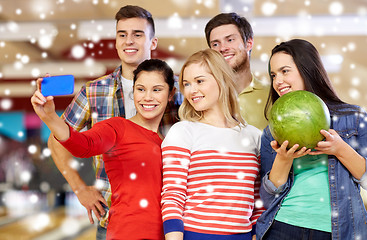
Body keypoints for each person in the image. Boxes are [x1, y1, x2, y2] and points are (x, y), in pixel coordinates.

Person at [46, 5, 179, 239]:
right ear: (116, 42)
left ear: (153, 42)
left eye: (138, 34)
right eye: (122, 35)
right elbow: (58, 141)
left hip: (170, 221)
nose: (129, 41)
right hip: (115, 220)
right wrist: (78, 188)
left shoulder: (176, 91)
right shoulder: (94, 91)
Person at [31, 59, 176, 240]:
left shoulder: (171, 139)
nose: (147, 97)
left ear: (171, 94)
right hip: (128, 233)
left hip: (168, 234)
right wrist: (50, 117)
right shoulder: (117, 128)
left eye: (157, 89)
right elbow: (83, 145)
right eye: (140, 89)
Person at [256, 39, 367, 240]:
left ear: (307, 69)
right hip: (283, 226)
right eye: (273, 75)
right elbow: (267, 197)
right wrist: (283, 159)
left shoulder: (354, 118)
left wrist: (340, 149)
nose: (277, 81)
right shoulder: (272, 131)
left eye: (285, 71)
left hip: (338, 230)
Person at [161, 49, 265, 240]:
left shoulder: (254, 136)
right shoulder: (183, 132)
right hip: (194, 235)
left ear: (221, 79)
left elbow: (258, 197)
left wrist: (256, 234)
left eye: (200, 81)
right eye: (187, 84)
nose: (192, 90)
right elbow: (172, 196)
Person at [205, 12, 269, 130]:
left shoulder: (272, 95)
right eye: (215, 44)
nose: (223, 48)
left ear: (248, 43)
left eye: (230, 40)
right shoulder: (203, 97)